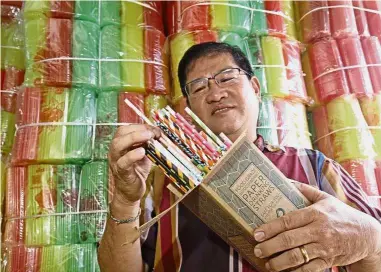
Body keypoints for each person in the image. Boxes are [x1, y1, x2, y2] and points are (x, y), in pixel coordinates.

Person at [98, 42, 381, 272]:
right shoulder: (158, 178)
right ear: (188, 109)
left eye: (227, 77)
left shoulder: (315, 167)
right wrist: (124, 200)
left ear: (255, 88)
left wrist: (370, 239)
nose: (216, 93)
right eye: (199, 87)